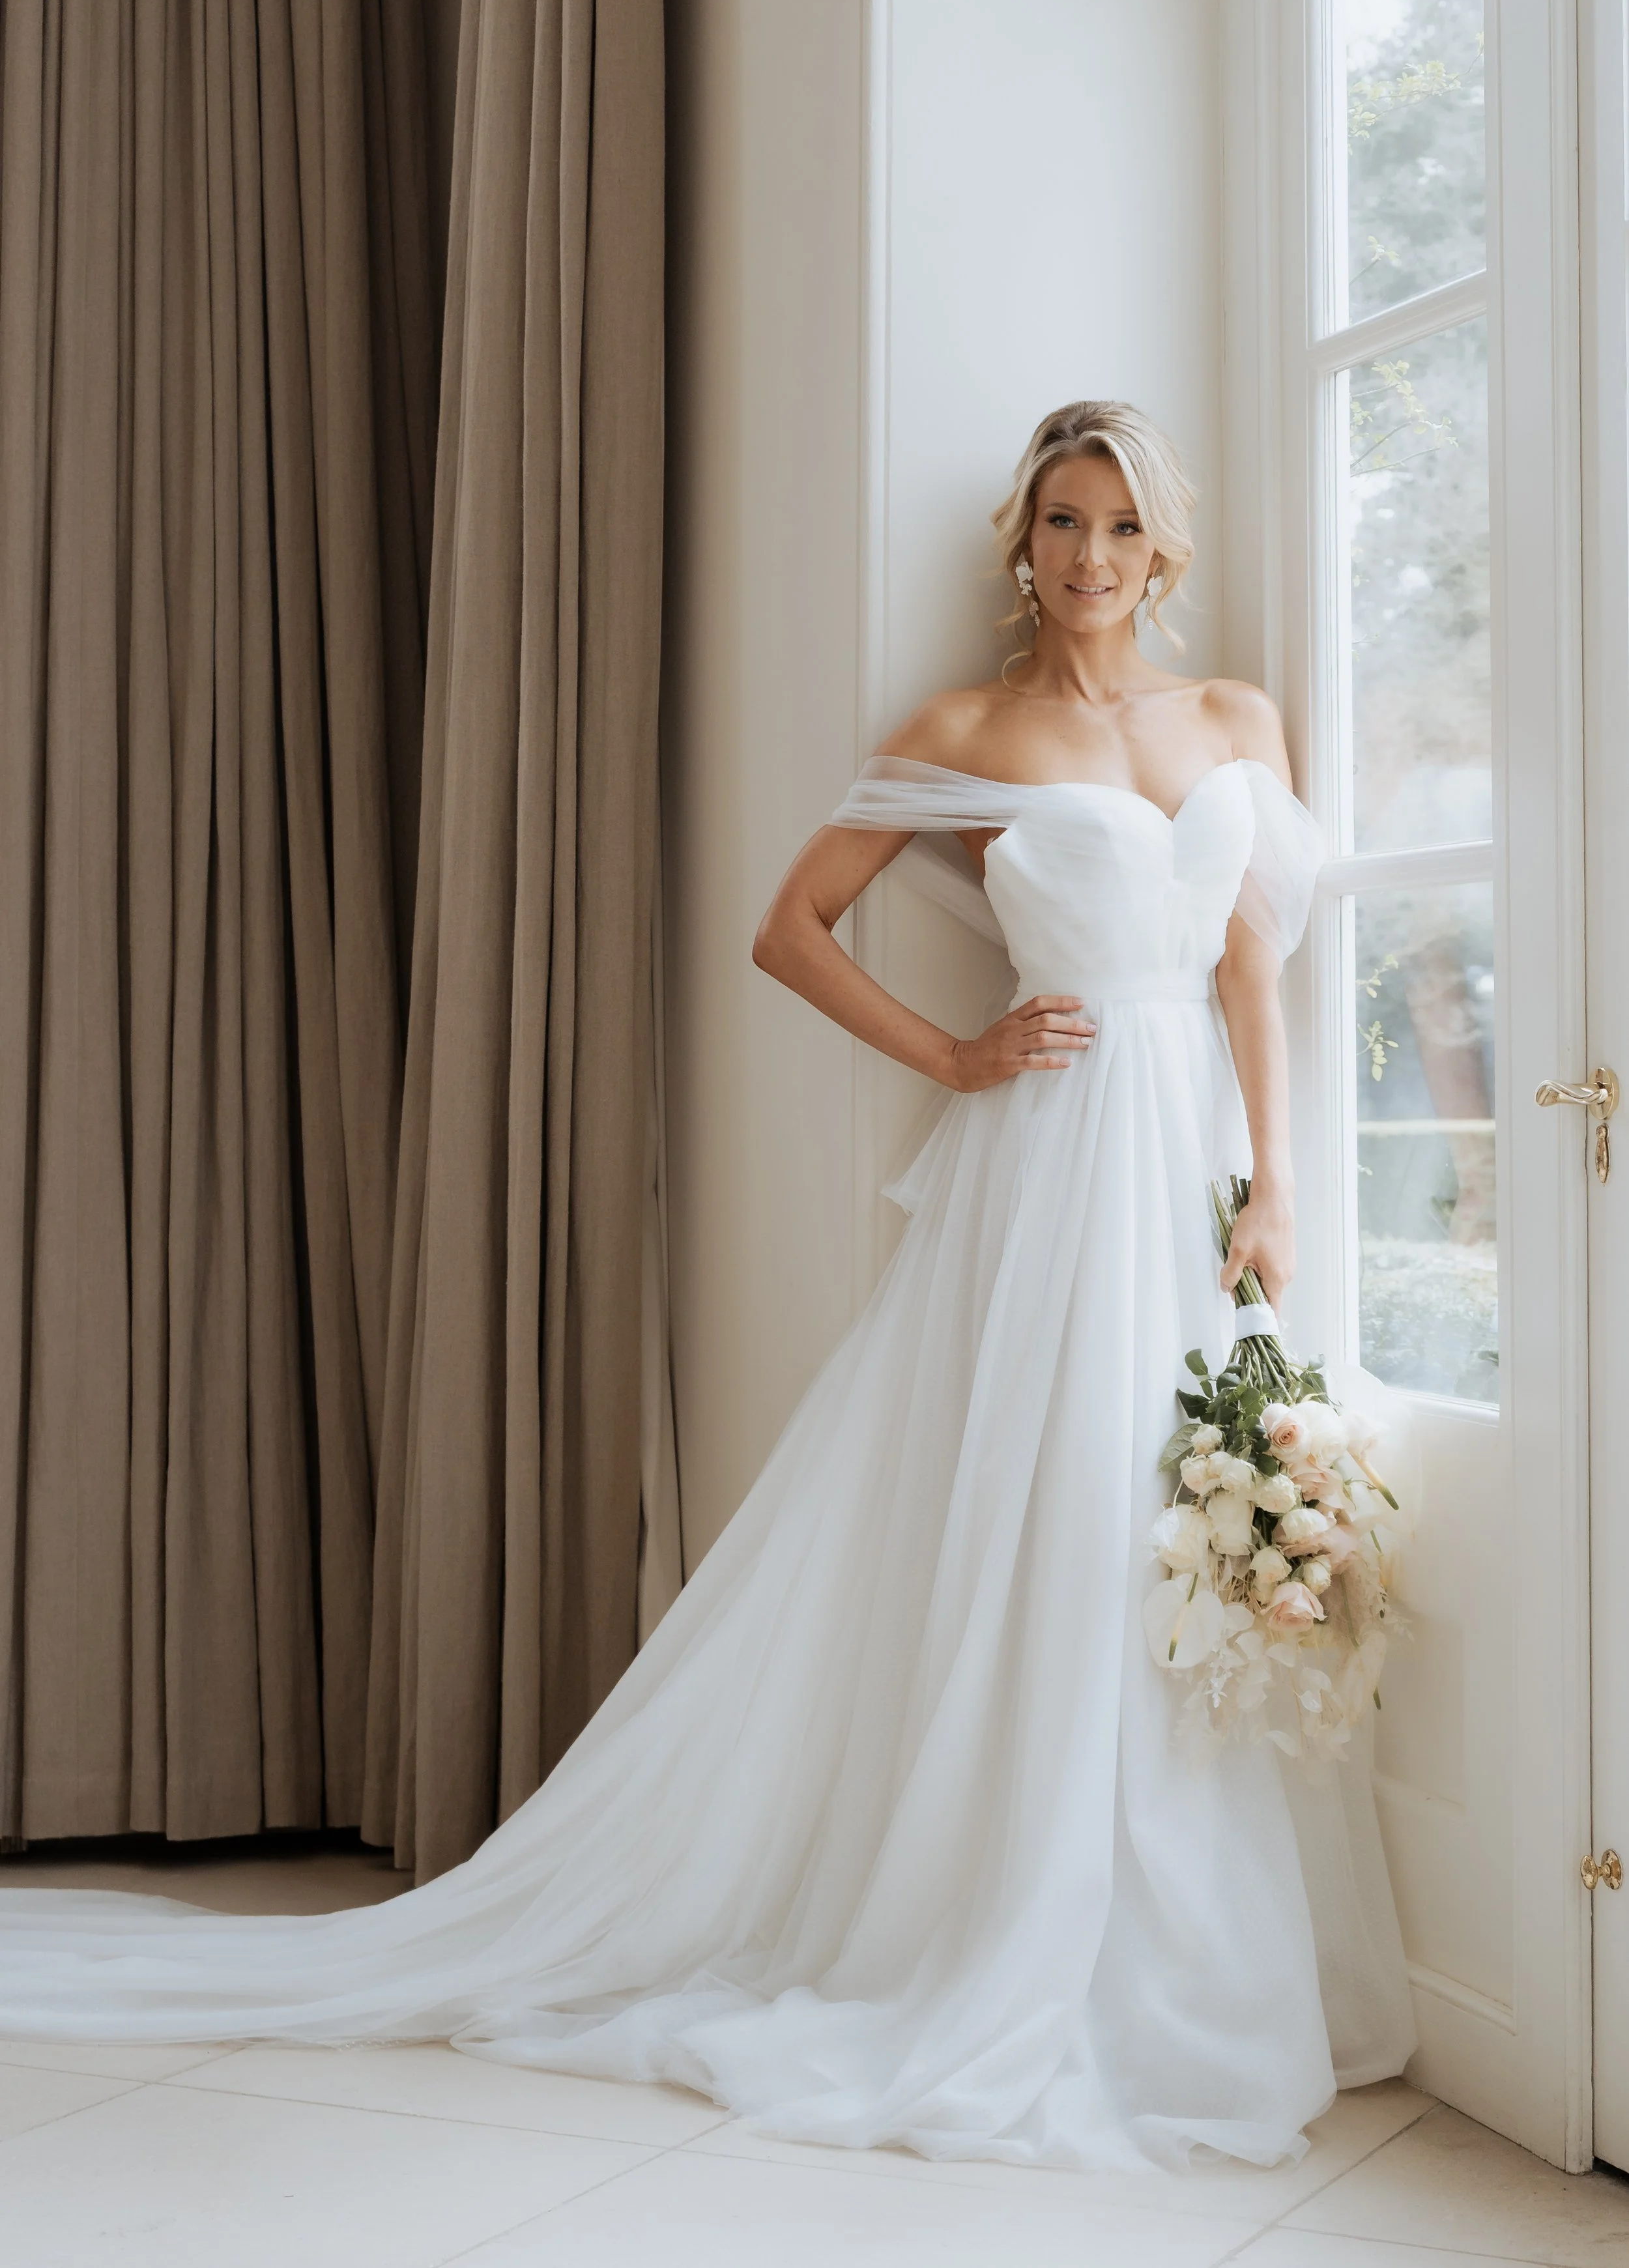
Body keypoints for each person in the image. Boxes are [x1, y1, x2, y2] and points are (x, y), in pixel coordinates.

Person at [0, 399, 1413, 2175]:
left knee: (1172, 1523)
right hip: (1043, 1171)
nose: (1087, 557)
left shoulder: (1231, 722)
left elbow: (1248, 964)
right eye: (1060, 521)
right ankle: (1002, 1921)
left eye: (1119, 526)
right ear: (1023, 541)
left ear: (1163, 550)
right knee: (1043, 1514)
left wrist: (1277, 1177)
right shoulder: (964, 731)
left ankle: (1185, 1943)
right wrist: (958, 1056)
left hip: (1184, 1170)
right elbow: (785, 928)